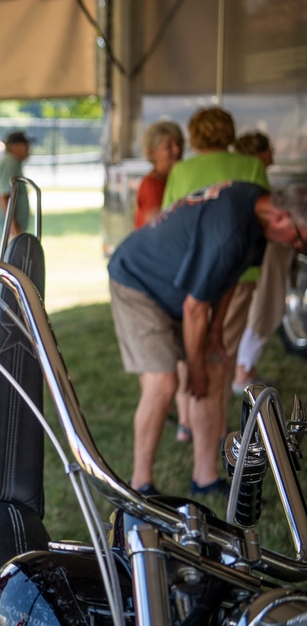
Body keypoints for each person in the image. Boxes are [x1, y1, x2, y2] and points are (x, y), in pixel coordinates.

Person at [108, 181, 307, 499]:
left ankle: (204, 478)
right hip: (138, 280)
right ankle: (139, 486)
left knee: (215, 373)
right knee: (164, 383)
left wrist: (215, 333)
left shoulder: (257, 214)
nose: (296, 246)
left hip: (180, 291)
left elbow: (232, 276)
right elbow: (195, 307)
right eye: (298, 239)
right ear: (281, 217)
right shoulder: (229, 231)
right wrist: (195, 364)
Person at [161, 107, 269, 446]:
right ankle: (218, 429)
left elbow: (168, 220)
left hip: (189, 273)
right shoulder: (251, 166)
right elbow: (264, 222)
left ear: (195, 135)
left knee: (188, 345)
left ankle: (189, 424)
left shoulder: (181, 170)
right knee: (223, 350)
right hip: (238, 271)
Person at [232, 131, 286, 393]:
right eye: (269, 149)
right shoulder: (254, 173)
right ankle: (242, 373)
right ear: (258, 154)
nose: (273, 154)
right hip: (257, 263)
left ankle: (243, 370)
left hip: (246, 262)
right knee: (260, 310)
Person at [134, 120, 184, 228]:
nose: (177, 150)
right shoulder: (151, 185)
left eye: (179, 143)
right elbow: (157, 226)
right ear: (152, 152)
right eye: (169, 146)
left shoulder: (172, 179)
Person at [0, 131, 32, 244]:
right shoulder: (10, 162)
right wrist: (14, 228)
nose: (28, 149)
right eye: (25, 145)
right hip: (7, 232)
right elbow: (4, 196)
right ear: (15, 146)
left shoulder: (12, 162)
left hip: (8, 230)